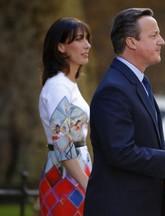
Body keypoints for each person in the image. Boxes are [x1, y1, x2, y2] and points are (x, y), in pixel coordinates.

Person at [84, 8, 165, 216]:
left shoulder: (140, 81)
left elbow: (134, 139)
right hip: (121, 207)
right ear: (132, 42)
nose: (162, 41)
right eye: (154, 35)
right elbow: (121, 153)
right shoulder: (113, 89)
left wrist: (164, 147)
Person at [38, 17, 92, 216]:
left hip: (77, 172)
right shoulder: (58, 86)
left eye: (87, 39)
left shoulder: (69, 86)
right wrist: (88, 185)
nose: (87, 45)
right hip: (62, 178)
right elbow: (62, 141)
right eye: (79, 39)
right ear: (60, 47)